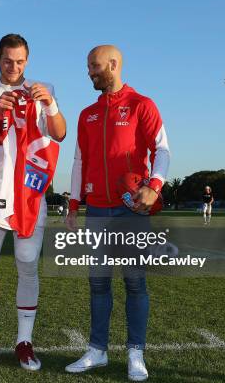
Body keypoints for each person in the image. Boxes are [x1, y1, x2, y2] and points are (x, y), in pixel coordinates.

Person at [0, 33, 66, 371]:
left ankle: (24, 342)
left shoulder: (42, 88)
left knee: (27, 260)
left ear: (27, 60)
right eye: (8, 60)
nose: (14, 67)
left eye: (20, 61)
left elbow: (60, 133)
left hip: (30, 188)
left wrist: (49, 104)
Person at [65, 45, 170, 381]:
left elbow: (162, 149)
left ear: (113, 64)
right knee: (98, 283)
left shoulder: (142, 105)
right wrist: (73, 204)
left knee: (135, 283)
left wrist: (154, 185)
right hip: (96, 209)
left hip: (131, 210)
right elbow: (80, 161)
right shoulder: (86, 114)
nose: (90, 72)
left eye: (94, 66)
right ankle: (97, 351)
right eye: (88, 67)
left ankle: (135, 354)